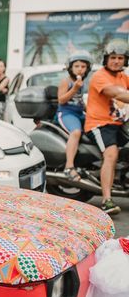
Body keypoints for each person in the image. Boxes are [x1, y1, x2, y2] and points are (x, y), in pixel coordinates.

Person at [85, 39, 129, 215]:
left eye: (120, 57)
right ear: (106, 59)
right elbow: (117, 93)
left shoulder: (122, 76)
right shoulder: (100, 76)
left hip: (118, 123)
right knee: (111, 154)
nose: (116, 61)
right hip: (100, 123)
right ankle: (107, 200)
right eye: (113, 57)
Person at [56, 50, 93, 182]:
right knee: (76, 132)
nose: (80, 69)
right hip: (66, 113)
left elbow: (80, 101)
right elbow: (61, 100)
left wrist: (91, 112)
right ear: (70, 67)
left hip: (79, 113)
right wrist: (75, 88)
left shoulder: (81, 82)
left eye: (83, 67)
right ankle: (69, 166)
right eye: (76, 66)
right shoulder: (66, 82)